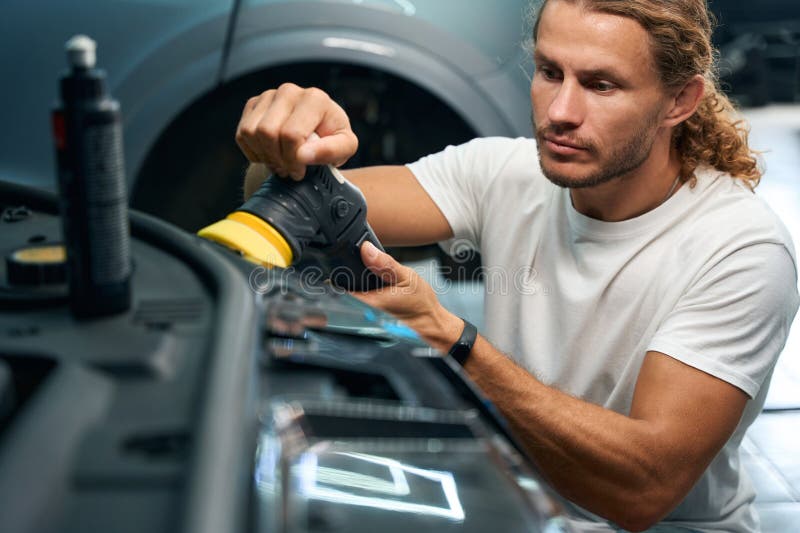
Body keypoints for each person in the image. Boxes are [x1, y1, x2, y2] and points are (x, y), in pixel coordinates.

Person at [234, 0, 799, 530]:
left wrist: (453, 342)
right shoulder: (504, 172)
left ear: (679, 101)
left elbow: (642, 490)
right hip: (523, 507)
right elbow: (296, 201)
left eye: (601, 85)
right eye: (550, 72)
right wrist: (285, 150)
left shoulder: (741, 250)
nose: (560, 112)